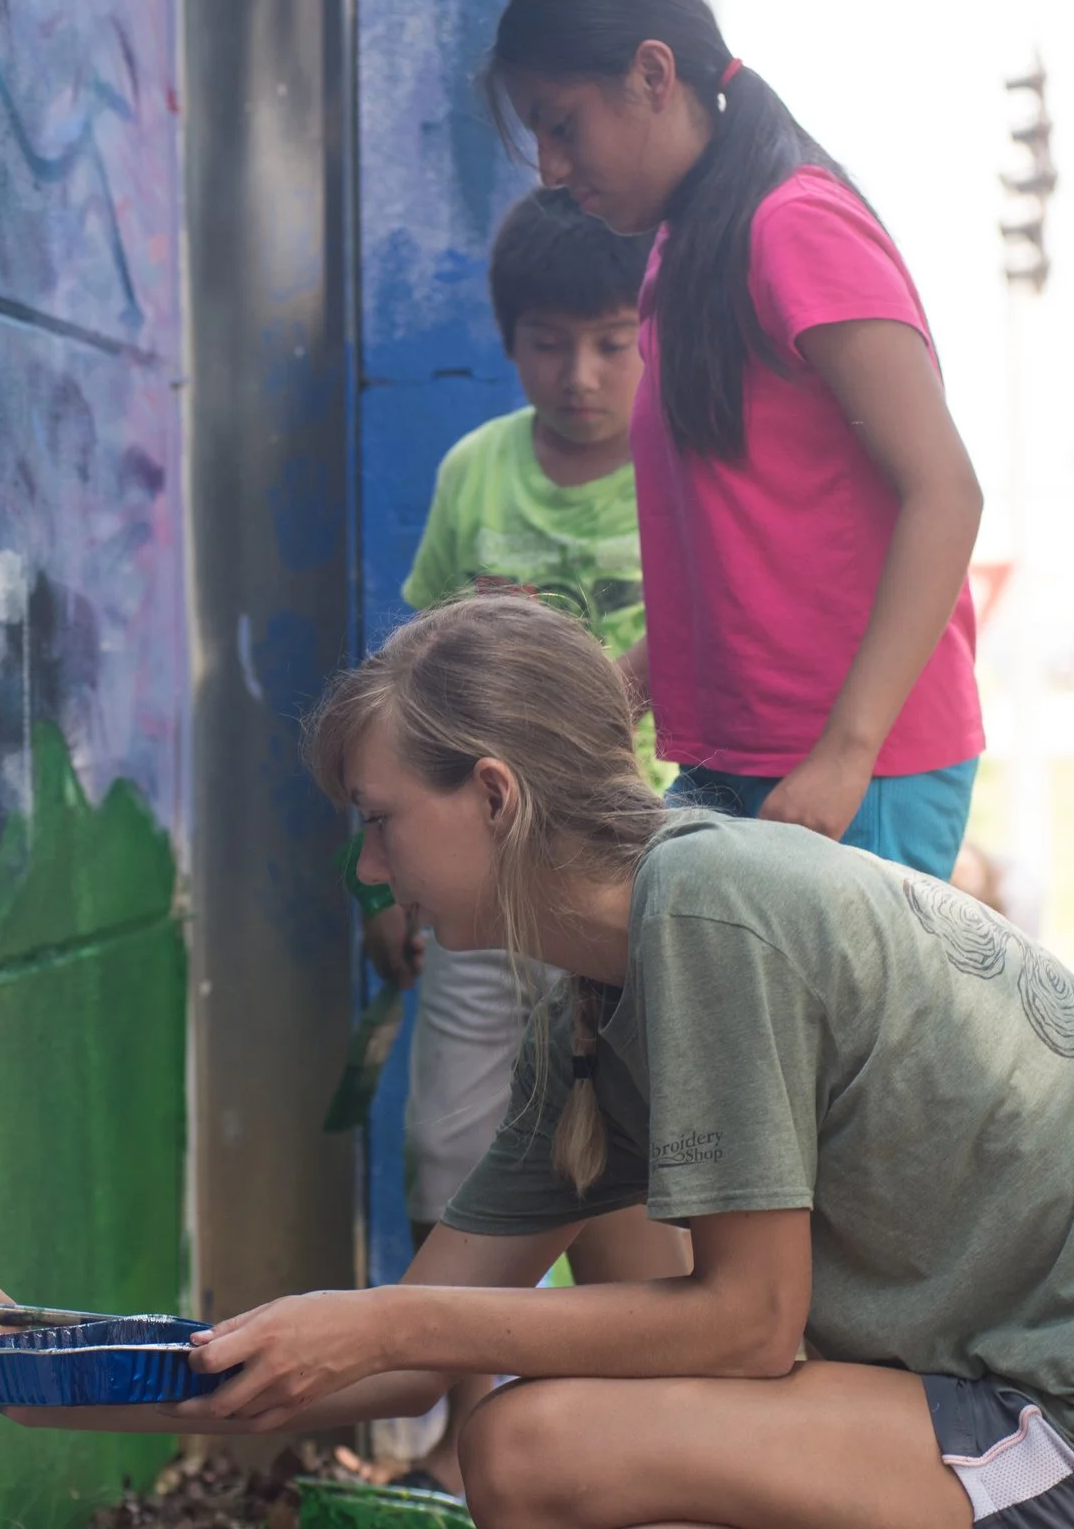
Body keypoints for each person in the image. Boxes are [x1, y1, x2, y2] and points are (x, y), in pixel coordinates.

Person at [0, 595, 1074, 1529]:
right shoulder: (590, 1008)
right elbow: (407, 1342)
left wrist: (393, 1313)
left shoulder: (712, 910)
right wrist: (25, 1361)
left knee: (534, 1449)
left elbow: (747, 1327)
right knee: (519, 1417)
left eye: (385, 823)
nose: (376, 873)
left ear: (500, 797)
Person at [488, 0, 986, 879]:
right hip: (729, 761)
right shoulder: (678, 251)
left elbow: (947, 493)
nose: (552, 168)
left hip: (850, 772)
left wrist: (846, 755)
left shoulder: (795, 223)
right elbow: (738, 555)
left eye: (563, 125)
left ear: (651, 74)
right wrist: (602, 693)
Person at [357, 186, 691, 1494]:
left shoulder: (677, 470)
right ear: (509, 343)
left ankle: (614, 1417)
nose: (583, 373)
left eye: (614, 340)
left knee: (619, 1160)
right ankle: (460, 1417)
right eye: (551, 342)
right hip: (486, 891)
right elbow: (416, 692)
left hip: (610, 886)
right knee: (456, 1139)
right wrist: (392, 879)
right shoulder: (476, 476)